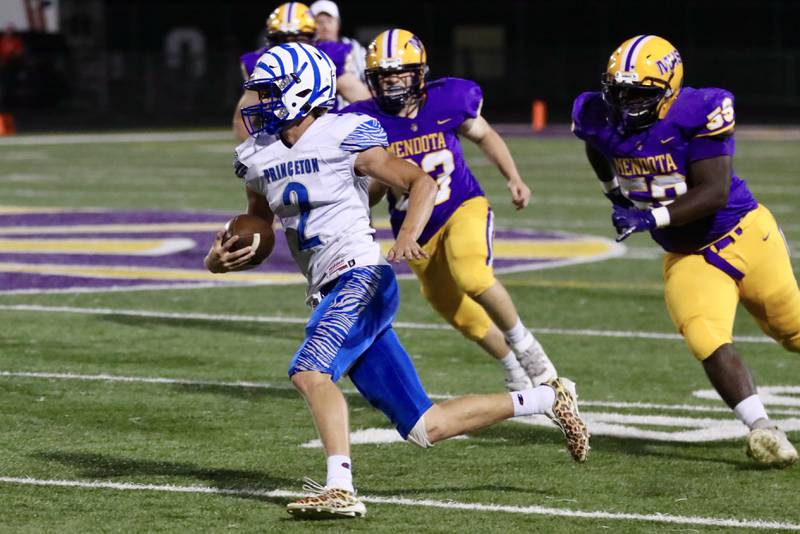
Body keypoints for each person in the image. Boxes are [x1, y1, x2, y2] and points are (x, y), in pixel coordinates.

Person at [205, 42, 589, 518]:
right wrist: (218, 261)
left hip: (361, 275)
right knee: (425, 426)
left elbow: (420, 182)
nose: (258, 102)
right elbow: (256, 220)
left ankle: (340, 486)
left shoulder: (343, 134)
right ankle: (547, 398)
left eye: (268, 91)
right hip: (329, 286)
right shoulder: (256, 156)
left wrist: (407, 233)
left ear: (301, 89)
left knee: (310, 370)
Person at [571, 34, 799, 467]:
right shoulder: (596, 113)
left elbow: (712, 192)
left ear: (669, 90)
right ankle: (763, 429)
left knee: (793, 333)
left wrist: (648, 217)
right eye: (619, 93)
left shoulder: (701, 111)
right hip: (688, 255)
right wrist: (612, 192)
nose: (626, 104)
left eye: (639, 94)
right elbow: (595, 143)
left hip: (745, 234)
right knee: (703, 333)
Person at [343, 29, 558, 392]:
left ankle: (525, 345)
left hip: (461, 205)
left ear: (420, 74)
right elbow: (374, 188)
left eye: (400, 73)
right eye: (384, 76)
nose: (392, 82)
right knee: (453, 308)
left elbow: (484, 135)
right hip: (414, 226)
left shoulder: (447, 100)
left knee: (472, 274)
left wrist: (513, 177)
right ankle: (512, 367)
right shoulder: (365, 122)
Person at [232, 2, 317, 141]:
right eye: (283, 39)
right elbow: (242, 120)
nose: (291, 46)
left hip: (322, 134)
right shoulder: (262, 64)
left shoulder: (327, 58)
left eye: (299, 39)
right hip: (280, 137)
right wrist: (251, 158)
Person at [309, 0, 370, 110]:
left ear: (338, 24)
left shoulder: (354, 46)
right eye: (320, 22)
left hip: (358, 111)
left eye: (329, 21)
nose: (325, 27)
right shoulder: (309, 50)